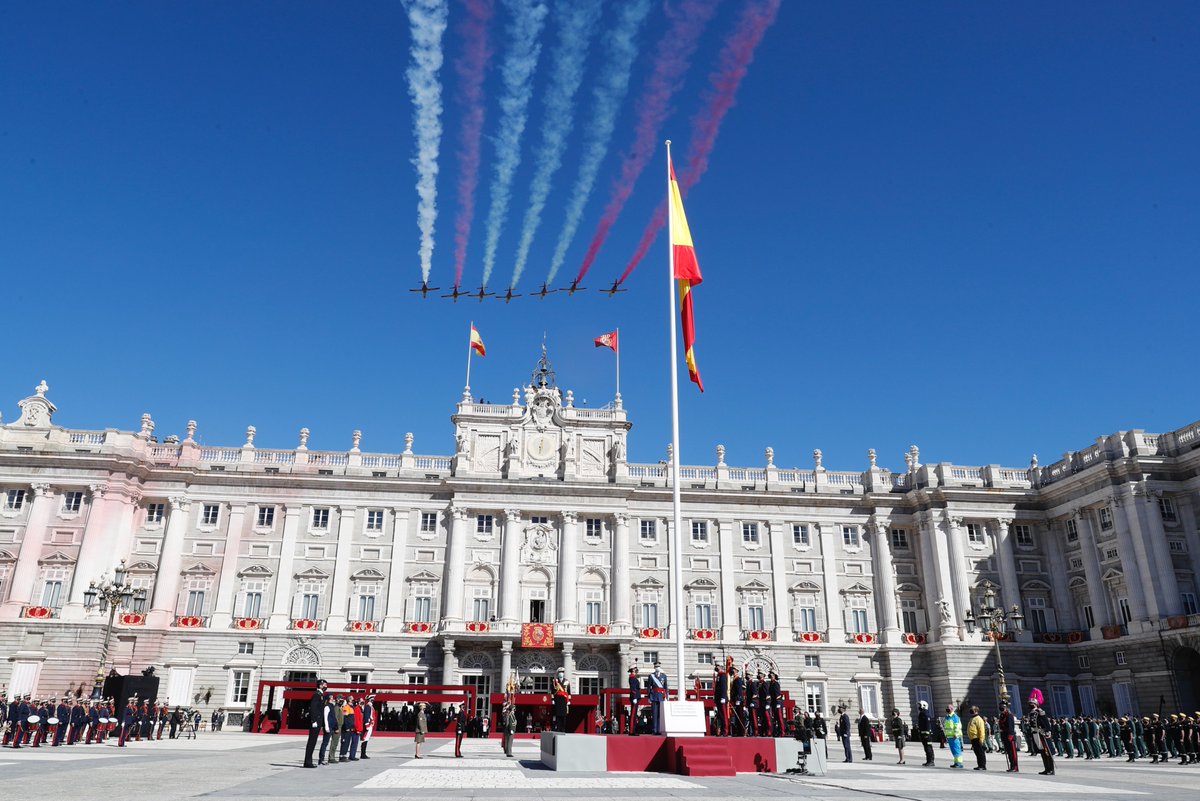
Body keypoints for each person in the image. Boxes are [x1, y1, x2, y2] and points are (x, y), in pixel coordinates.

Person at [1028, 689, 1055, 776]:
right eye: (1030, 704)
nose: (1031, 705)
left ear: (1036, 704)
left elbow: (1046, 724)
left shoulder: (1040, 712)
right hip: (1036, 734)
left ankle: (1051, 769)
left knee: (1047, 752)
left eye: (1032, 704)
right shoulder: (1031, 713)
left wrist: (1047, 731)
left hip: (1042, 734)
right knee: (1042, 752)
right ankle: (1046, 768)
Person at [303, 679, 327, 768]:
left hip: (318, 721)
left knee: (313, 742)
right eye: (324, 685)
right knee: (311, 742)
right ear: (320, 685)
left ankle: (309, 761)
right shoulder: (316, 695)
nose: (326, 686)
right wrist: (314, 721)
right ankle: (307, 762)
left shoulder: (320, 695)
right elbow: (313, 708)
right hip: (315, 722)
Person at [648, 663, 668, 736]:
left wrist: (666, 697)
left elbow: (665, 688)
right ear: (654, 667)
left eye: (658, 666)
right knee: (654, 714)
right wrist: (649, 697)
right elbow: (649, 687)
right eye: (656, 666)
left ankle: (660, 729)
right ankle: (654, 730)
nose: (657, 668)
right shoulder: (651, 676)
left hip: (661, 697)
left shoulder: (664, 676)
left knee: (660, 714)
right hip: (654, 696)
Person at [999, 701, 1018, 772]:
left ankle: (1015, 767)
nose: (1001, 708)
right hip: (1004, 735)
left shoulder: (1009, 715)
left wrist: (1010, 735)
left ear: (1005, 707)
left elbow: (1011, 726)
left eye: (1003, 707)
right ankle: (1011, 766)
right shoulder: (1002, 715)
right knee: (1008, 752)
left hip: (1010, 735)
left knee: (1012, 752)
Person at [943, 704, 964, 769]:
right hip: (949, 737)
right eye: (946, 708)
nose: (947, 709)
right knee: (953, 750)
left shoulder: (955, 717)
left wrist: (956, 734)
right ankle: (956, 762)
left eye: (948, 708)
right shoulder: (947, 717)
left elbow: (957, 727)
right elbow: (946, 727)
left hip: (954, 737)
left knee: (957, 750)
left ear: (952, 709)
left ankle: (959, 763)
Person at [967, 705, 987, 770]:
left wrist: (981, 739)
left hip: (977, 738)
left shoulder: (978, 719)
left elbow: (981, 730)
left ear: (976, 711)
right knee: (977, 752)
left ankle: (982, 765)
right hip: (973, 738)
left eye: (972, 710)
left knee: (980, 752)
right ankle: (979, 765)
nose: (971, 711)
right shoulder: (972, 718)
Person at [916, 700, 935, 767]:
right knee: (926, 748)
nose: (919, 707)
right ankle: (928, 761)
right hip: (923, 734)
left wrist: (927, 734)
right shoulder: (922, 713)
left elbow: (927, 724)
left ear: (923, 706)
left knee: (928, 748)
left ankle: (931, 761)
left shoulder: (925, 713)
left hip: (927, 735)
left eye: (919, 705)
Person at [552, 669, 571, 733]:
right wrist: (553, 700)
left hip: (564, 700)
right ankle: (558, 729)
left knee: (564, 716)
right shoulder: (555, 681)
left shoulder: (566, 681)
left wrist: (569, 701)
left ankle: (563, 729)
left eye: (562, 672)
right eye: (560, 672)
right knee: (557, 715)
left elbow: (569, 692)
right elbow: (552, 691)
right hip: (557, 699)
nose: (561, 674)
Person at [319, 694, 336, 765]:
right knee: (325, 743)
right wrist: (326, 727)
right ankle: (321, 759)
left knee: (327, 743)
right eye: (331, 698)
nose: (333, 699)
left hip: (331, 727)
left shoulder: (332, 706)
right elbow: (325, 717)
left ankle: (322, 759)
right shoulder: (327, 707)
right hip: (328, 727)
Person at [713, 665, 729, 737]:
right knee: (720, 715)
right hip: (719, 698)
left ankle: (725, 731)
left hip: (722, 698)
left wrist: (723, 697)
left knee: (724, 715)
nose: (716, 667)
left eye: (717, 666)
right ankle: (721, 731)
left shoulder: (723, 675)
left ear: (721, 667)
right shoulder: (719, 675)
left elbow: (723, 687)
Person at [627, 665, 642, 736]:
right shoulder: (632, 678)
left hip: (635, 696)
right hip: (634, 697)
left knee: (634, 714)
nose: (636, 671)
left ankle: (633, 730)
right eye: (635, 669)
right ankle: (632, 731)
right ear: (632, 670)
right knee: (633, 715)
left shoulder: (633, 678)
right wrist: (635, 697)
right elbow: (633, 688)